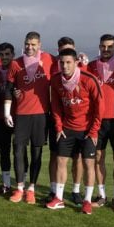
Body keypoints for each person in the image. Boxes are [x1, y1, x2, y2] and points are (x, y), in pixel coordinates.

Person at [46, 49, 103, 214]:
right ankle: (58, 198)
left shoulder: (88, 79)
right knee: (61, 162)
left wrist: (93, 131)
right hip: (67, 129)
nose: (65, 66)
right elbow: (55, 106)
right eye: (62, 62)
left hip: (87, 130)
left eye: (68, 62)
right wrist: (58, 126)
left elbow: (100, 107)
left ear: (76, 62)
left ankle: (87, 201)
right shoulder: (56, 80)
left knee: (88, 164)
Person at [5, 31, 56, 204]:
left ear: (39, 45)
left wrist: (81, 62)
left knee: (36, 152)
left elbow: (67, 65)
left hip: (41, 114)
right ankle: (19, 188)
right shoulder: (16, 63)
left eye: (34, 44)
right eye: (27, 43)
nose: (30, 47)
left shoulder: (49, 60)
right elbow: (8, 88)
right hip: (21, 114)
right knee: (18, 151)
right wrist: (7, 111)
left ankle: (31, 188)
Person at [87, 34, 114, 209]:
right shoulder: (91, 66)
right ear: (99, 46)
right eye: (103, 46)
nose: (106, 49)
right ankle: (101, 195)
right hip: (98, 120)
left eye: (110, 47)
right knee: (98, 158)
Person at [0, 42, 16, 195]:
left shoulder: (18, 69)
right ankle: (1, 182)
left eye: (7, 54)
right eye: (2, 54)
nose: (5, 57)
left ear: (12, 55)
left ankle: (20, 185)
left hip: (16, 116)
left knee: (18, 151)